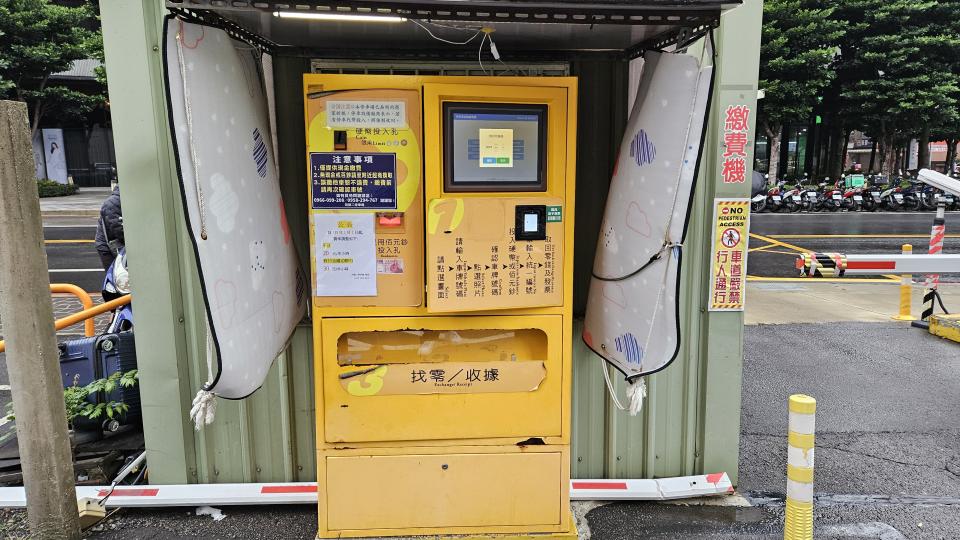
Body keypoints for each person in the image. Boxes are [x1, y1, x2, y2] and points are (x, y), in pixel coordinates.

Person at [95, 184, 124, 270]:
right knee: (113, 273)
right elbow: (118, 229)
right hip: (106, 247)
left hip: (115, 242)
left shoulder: (124, 199)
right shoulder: (113, 202)